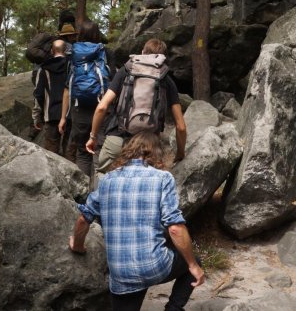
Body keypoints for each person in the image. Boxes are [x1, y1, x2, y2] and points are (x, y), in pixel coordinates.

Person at [68, 131, 205, 310]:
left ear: (128, 151)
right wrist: (193, 265)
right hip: (153, 266)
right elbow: (175, 228)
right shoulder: (162, 178)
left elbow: (83, 219)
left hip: (121, 273)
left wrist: (77, 245)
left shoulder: (107, 180)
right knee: (194, 263)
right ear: (157, 153)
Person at [87, 38, 187, 173]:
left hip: (118, 139)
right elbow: (181, 126)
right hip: (149, 146)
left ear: (142, 52)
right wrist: (180, 152)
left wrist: (93, 137)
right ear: (163, 58)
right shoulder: (166, 80)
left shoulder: (126, 71)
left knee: (104, 175)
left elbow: (102, 107)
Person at [59, 20, 110, 178]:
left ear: (80, 34)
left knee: (82, 151)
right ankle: (99, 190)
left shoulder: (73, 54)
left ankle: (83, 190)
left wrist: (63, 117)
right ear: (97, 34)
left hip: (79, 106)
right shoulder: (104, 51)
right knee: (99, 150)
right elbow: (112, 83)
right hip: (101, 106)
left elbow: (67, 88)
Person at [33, 40, 69, 157]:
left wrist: (36, 117)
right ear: (65, 50)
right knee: (70, 153)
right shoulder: (72, 66)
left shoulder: (43, 69)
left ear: (52, 51)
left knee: (51, 155)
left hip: (51, 114)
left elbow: (38, 94)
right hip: (70, 114)